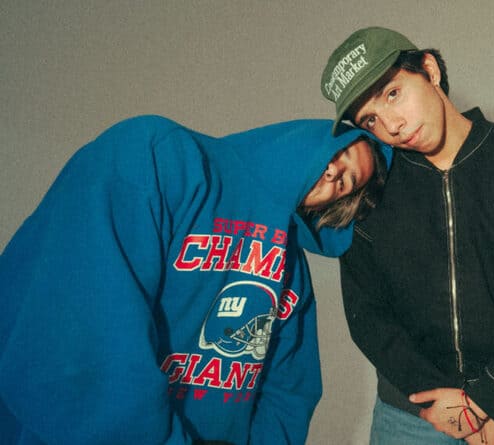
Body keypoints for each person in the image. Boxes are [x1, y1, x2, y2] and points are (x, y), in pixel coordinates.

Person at [0, 115, 391, 445]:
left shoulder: (291, 268)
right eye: (340, 152)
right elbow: (81, 338)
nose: (334, 171)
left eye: (345, 182)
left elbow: (290, 389)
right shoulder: (156, 155)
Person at [320, 27, 494, 444]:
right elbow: (370, 317)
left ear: (429, 70)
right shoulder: (370, 193)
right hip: (411, 417)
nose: (392, 125)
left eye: (392, 94)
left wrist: (487, 402)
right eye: (370, 120)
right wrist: (447, 408)